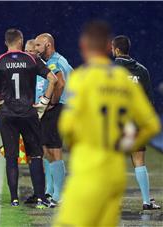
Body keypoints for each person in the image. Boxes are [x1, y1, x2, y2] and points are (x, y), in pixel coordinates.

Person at [53, 21, 161, 226]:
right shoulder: (123, 78)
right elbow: (152, 123)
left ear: (83, 46)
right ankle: (146, 200)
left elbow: (67, 127)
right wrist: (126, 143)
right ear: (106, 47)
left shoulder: (81, 78)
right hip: (114, 172)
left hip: (88, 170)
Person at [0, 28, 57, 208]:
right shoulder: (31, 59)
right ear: (20, 41)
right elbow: (53, 79)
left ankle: (14, 199)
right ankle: (40, 198)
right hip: (29, 113)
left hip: (8, 113)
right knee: (35, 155)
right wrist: (44, 102)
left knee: (11, 157)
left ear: (6, 43)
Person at [112, 35, 160, 210]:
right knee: (139, 160)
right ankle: (146, 201)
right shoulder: (142, 70)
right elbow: (148, 102)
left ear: (116, 49)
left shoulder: (109, 70)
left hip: (114, 122)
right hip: (135, 122)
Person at [30, 33, 73, 206]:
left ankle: (58, 194)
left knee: (54, 151)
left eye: (38, 45)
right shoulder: (58, 61)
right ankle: (51, 191)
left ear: (48, 45)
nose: (36, 49)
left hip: (57, 109)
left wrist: (51, 104)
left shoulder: (55, 61)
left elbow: (60, 83)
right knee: (47, 150)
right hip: (58, 109)